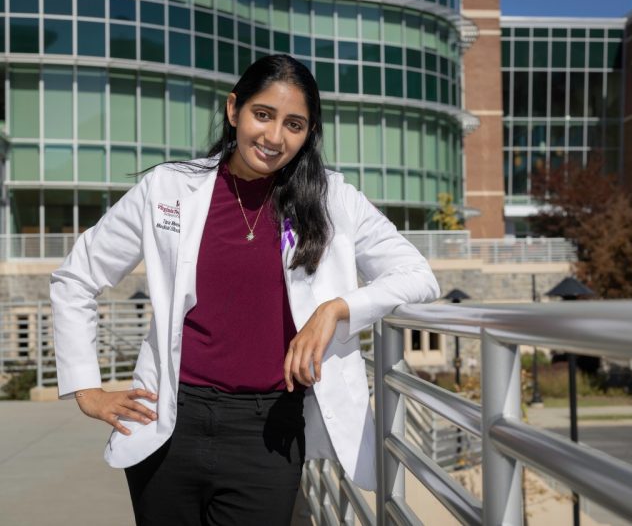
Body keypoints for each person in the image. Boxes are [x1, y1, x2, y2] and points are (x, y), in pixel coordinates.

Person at [50, 54, 440, 525]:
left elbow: (418, 275)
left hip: (269, 433)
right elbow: (76, 278)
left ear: (309, 132)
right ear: (234, 110)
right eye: (263, 115)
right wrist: (86, 389)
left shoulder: (334, 200)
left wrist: (337, 308)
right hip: (169, 424)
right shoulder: (168, 189)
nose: (275, 137)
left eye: (294, 124)